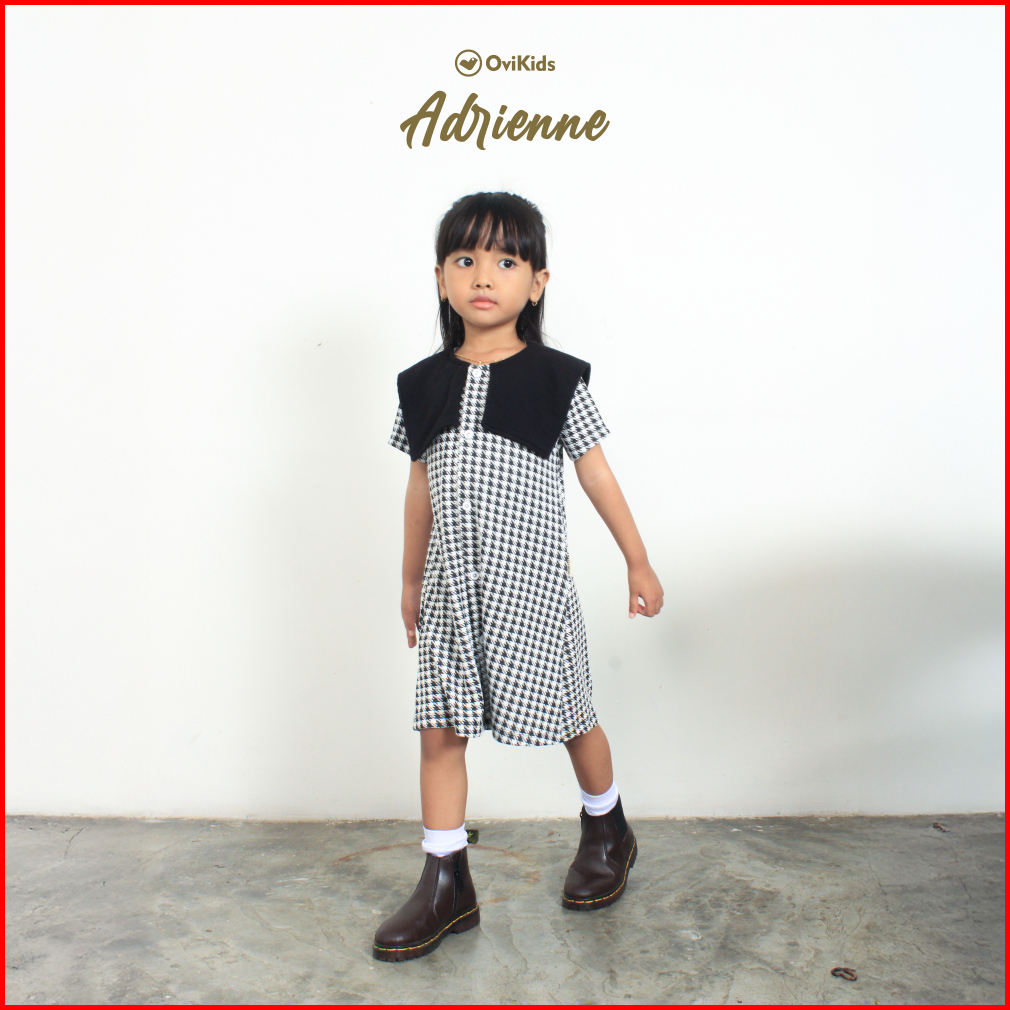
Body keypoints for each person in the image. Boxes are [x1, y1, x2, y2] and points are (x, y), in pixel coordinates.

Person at [375, 192, 664, 962]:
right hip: (451, 593)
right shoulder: (421, 384)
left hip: (530, 590)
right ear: (440, 278)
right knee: (439, 729)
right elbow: (419, 489)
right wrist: (410, 580)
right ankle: (446, 880)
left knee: (572, 714)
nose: (484, 275)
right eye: (465, 259)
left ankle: (607, 827)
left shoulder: (556, 379)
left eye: (506, 261)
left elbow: (596, 474)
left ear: (537, 283)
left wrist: (636, 560)